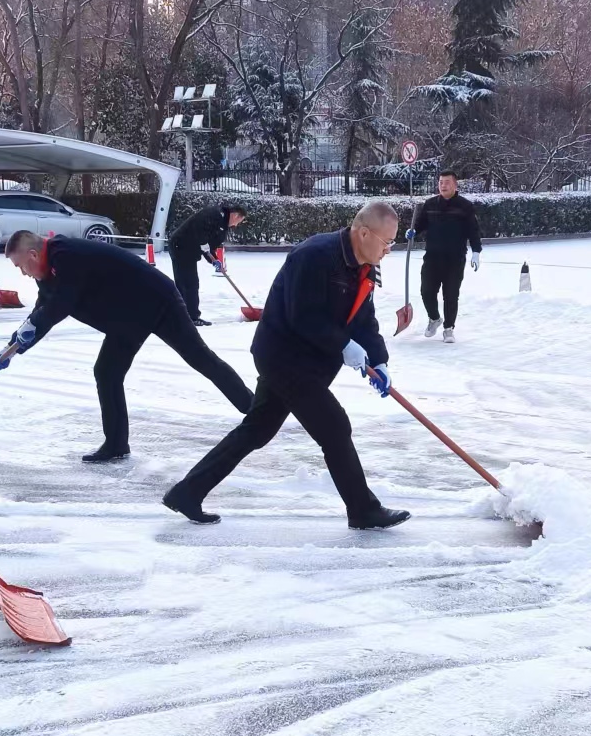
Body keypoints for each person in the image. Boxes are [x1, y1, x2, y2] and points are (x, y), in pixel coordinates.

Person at [162, 201, 409, 531]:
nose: (389, 250)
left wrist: (379, 360)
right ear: (364, 233)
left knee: (257, 429)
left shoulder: (364, 265)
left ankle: (187, 492)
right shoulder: (314, 256)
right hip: (283, 356)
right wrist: (344, 346)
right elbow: (302, 316)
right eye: (387, 242)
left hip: (309, 361)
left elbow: (364, 319)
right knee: (334, 427)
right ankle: (363, 510)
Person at [0, 229, 254, 463]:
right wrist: (12, 347)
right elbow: (42, 310)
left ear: (32, 254)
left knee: (200, 358)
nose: (22, 273)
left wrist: (28, 332)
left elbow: (60, 305)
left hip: (158, 300)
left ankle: (255, 410)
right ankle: (116, 444)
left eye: (21, 266)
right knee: (107, 372)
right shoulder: (49, 269)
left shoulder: (67, 256)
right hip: (128, 316)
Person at [412, 169, 482, 342]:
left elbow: (473, 230)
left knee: (450, 294)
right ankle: (434, 319)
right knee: (426, 291)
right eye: (441, 182)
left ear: (455, 185)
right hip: (432, 257)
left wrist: (476, 252)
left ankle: (448, 328)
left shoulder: (465, 206)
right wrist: (412, 231)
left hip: (455, 259)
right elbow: (420, 225)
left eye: (447, 182)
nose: (443, 185)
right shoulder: (430, 205)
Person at [168, 201, 247, 325]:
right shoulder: (214, 214)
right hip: (181, 246)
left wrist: (214, 261)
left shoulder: (223, 226)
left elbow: (211, 247)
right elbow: (198, 228)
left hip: (189, 249)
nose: (236, 225)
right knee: (188, 283)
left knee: (187, 283)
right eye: (239, 221)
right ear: (235, 215)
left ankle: (183, 316)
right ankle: (190, 317)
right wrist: (203, 242)